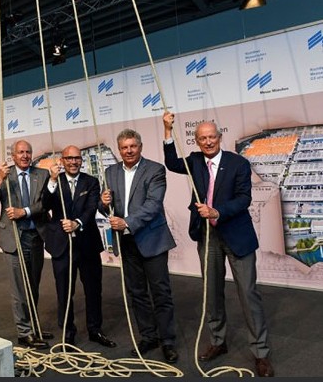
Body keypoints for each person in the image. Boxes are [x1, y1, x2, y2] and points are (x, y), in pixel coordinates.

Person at [162, 111, 273, 377]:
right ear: (197, 141)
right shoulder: (194, 161)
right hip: (207, 236)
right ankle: (218, 341)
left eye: (212, 137)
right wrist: (167, 130)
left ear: (219, 137)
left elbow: (244, 198)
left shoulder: (238, 163)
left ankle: (261, 353)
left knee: (248, 295)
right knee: (211, 293)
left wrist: (217, 212)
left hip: (237, 236)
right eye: (203, 138)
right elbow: (171, 163)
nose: (208, 142)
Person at [98, 129, 178, 363]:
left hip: (152, 240)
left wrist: (127, 222)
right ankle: (148, 336)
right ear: (119, 149)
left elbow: (153, 204)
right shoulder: (110, 172)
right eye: (124, 147)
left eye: (133, 146)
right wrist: (102, 203)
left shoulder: (155, 170)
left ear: (140, 147)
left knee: (160, 292)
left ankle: (168, 341)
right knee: (137, 293)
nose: (129, 151)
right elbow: (105, 207)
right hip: (126, 241)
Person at [42, 145, 116, 348]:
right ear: (62, 160)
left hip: (88, 244)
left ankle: (95, 330)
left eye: (77, 158)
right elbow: (45, 204)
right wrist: (52, 181)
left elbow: (92, 208)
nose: (73, 162)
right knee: (64, 291)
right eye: (69, 158)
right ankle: (68, 333)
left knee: (93, 289)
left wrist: (77, 223)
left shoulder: (91, 182)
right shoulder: (54, 181)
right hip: (61, 245)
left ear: (81, 160)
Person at [0, 139, 52, 349]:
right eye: (20, 152)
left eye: (28, 152)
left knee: (33, 286)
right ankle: (24, 333)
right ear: (13, 156)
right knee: (19, 290)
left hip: (35, 237)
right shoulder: (4, 175)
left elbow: (45, 204)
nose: (24, 156)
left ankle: (33, 326)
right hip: (13, 239)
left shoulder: (42, 175)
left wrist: (25, 212)